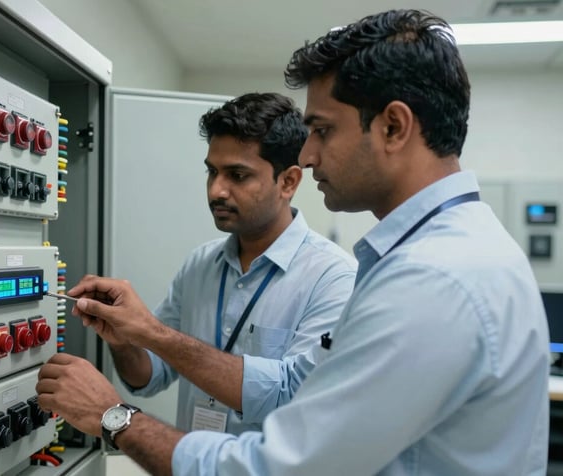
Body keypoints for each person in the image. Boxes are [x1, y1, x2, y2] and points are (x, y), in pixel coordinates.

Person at [37, 9, 550, 475]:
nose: (306, 156)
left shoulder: (431, 279)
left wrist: (113, 416)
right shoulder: (449, 254)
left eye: (322, 130)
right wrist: (135, 337)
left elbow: (281, 463)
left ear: (393, 126)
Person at [80, 92, 356, 435]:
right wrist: (123, 338)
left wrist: (152, 332)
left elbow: (295, 397)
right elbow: (148, 376)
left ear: (288, 182)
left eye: (237, 175)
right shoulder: (200, 265)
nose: (216, 191)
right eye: (212, 172)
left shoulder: (333, 277)